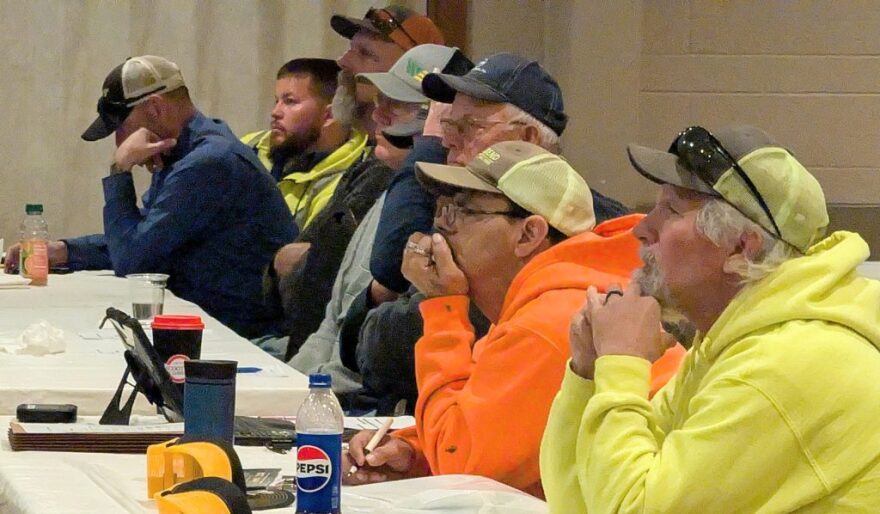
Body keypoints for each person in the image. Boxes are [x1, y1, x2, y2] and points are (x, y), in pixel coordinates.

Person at [540, 125, 880, 512]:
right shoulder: (726, 345)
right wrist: (587, 375)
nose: (641, 229)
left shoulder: (783, 365)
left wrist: (622, 364)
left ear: (741, 247)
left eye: (669, 211)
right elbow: (580, 503)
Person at [343, 141, 684, 496]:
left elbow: (462, 465)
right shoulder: (536, 302)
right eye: (443, 209)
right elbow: (480, 430)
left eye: (463, 211)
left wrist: (444, 307)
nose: (441, 227)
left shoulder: (550, 322)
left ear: (529, 234)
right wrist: (410, 451)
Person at [339, 52, 631, 414]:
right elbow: (357, 338)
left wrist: (433, 307)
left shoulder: (574, 227)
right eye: (446, 128)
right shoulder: (474, 208)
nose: (447, 143)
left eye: (467, 128)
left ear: (526, 139)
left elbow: (392, 348)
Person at [4, 56, 295, 338]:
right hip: (213, 323)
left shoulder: (208, 162)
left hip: (244, 336)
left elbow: (133, 260)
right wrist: (63, 251)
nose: (120, 142)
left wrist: (120, 170)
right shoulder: (182, 152)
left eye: (120, 127)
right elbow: (145, 237)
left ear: (155, 108)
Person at [281, 45, 471, 396]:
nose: (377, 115)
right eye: (378, 101)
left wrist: (303, 397)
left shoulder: (442, 210)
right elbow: (330, 326)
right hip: (320, 391)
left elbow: (366, 360)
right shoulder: (382, 186)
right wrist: (281, 388)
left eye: (395, 105)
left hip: (360, 404)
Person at [240, 58, 370, 231]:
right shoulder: (250, 145)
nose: (275, 112)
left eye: (290, 101)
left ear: (329, 115)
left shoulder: (355, 180)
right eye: (276, 101)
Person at [331, 4, 444, 138]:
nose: (342, 61)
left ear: (414, 71)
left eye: (366, 53)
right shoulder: (338, 145)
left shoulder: (437, 153)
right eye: (351, 48)